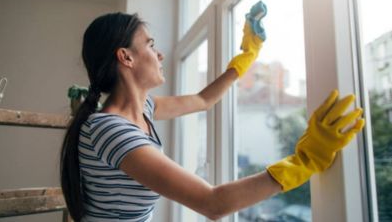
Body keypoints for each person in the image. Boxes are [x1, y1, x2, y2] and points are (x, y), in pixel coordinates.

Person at [60, 11, 365, 222]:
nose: (160, 54)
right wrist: (303, 161)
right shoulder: (112, 131)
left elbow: (202, 100)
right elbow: (213, 203)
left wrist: (244, 59)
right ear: (125, 57)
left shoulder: (142, 110)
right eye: (150, 45)